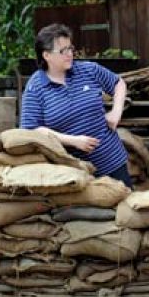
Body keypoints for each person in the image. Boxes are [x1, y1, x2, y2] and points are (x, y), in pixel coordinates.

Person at [19, 23, 132, 188]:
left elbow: (118, 83)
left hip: (112, 162)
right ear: (46, 55)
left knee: (126, 202)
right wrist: (73, 141)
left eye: (70, 48)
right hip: (74, 173)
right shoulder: (35, 87)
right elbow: (31, 129)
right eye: (63, 51)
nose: (70, 54)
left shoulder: (88, 70)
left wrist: (116, 112)